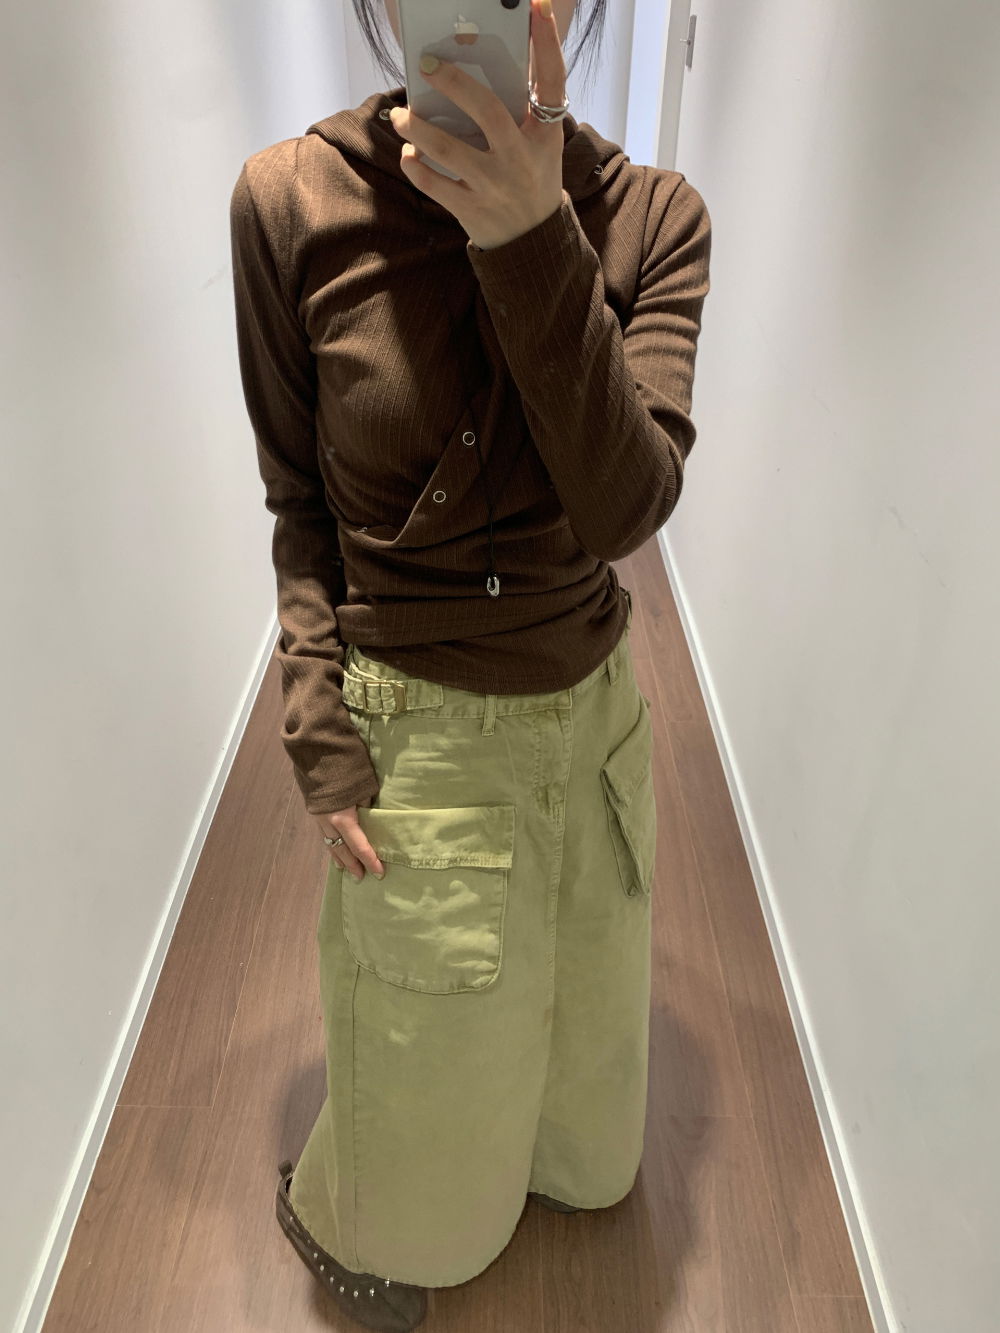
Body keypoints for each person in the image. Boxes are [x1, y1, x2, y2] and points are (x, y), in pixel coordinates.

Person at [229, 0, 711, 1326]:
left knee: (594, 1162)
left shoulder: (654, 218)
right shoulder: (291, 201)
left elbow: (625, 510)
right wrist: (316, 717)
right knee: (423, 1222)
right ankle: (338, 1199)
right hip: (420, 727)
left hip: (596, 724)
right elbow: (296, 501)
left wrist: (533, 235)